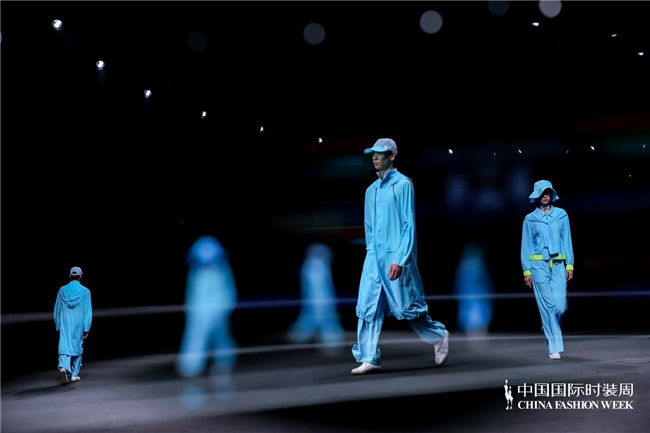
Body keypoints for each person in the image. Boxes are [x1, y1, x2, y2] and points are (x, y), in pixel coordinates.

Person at [351, 138, 449, 375]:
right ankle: (369, 358)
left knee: (407, 307)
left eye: (380, 153)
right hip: (374, 258)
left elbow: (408, 224)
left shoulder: (403, 184)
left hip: (396, 257)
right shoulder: (371, 190)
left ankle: (438, 335)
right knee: (367, 306)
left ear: (392, 156)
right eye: (373, 154)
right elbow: (369, 226)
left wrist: (400, 258)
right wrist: (370, 254)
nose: (375, 158)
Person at [520, 180, 574, 360]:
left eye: (548, 192)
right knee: (548, 306)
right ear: (536, 195)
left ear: (552, 194)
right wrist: (527, 271)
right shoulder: (530, 219)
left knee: (560, 306)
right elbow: (526, 245)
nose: (545, 195)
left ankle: (549, 326)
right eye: (542, 193)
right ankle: (553, 347)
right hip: (538, 266)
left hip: (558, 264)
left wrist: (570, 264)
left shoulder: (561, 215)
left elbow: (567, 240)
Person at [176, 235, 238, 380]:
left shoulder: (222, 270)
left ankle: (224, 362)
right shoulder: (196, 272)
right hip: (199, 311)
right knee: (195, 336)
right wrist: (190, 309)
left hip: (217, 310)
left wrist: (224, 309)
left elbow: (229, 292)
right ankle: (191, 366)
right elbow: (192, 293)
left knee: (221, 337)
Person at [286, 242, 345, 353]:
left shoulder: (313, 267)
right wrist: (323, 302)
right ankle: (330, 343)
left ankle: (300, 338)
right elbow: (318, 288)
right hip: (320, 301)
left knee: (314, 321)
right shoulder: (316, 267)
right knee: (322, 321)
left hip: (318, 301)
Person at [54, 266, 93, 385]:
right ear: (80, 276)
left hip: (65, 322)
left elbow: (57, 309)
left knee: (64, 344)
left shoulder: (62, 290)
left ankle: (63, 368)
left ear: (70, 276)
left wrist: (57, 324)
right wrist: (86, 327)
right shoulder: (85, 291)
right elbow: (87, 311)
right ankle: (74, 374)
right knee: (77, 345)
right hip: (78, 322)